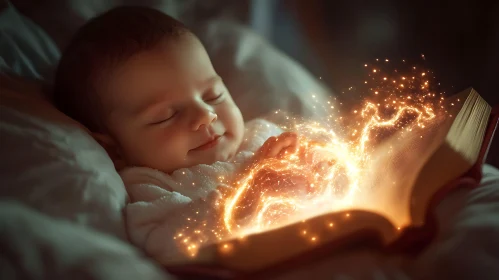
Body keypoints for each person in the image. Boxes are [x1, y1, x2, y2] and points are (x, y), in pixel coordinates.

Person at [53, 6, 298, 263]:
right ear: (115, 150)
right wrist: (248, 192)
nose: (206, 115)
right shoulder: (152, 187)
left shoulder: (263, 135)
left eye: (213, 96)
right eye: (166, 116)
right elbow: (169, 245)